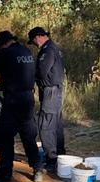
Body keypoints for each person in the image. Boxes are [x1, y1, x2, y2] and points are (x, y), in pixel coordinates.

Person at [0, 30, 43, 182]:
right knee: (28, 135)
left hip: (13, 100)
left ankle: (5, 174)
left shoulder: (5, 53)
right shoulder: (25, 51)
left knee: (5, 136)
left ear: (3, 44)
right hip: (28, 99)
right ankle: (38, 169)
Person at [27, 26, 66, 172]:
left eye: (33, 41)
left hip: (50, 91)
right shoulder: (54, 47)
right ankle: (60, 156)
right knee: (56, 123)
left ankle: (51, 159)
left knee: (46, 125)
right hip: (55, 90)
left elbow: (42, 73)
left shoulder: (47, 50)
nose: (35, 44)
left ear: (38, 37)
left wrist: (31, 77)